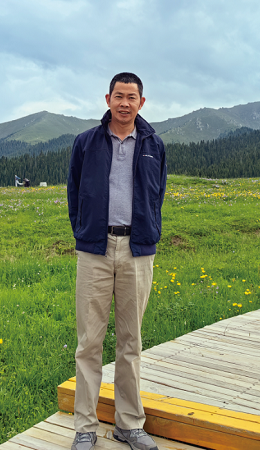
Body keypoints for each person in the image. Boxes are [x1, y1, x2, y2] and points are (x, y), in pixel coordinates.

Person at [67, 73, 167, 450]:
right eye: (119, 96)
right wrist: (84, 231)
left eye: (132, 97)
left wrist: (149, 230)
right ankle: (85, 427)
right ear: (108, 99)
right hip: (94, 248)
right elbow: (74, 192)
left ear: (142, 102)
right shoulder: (86, 143)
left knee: (130, 341)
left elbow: (157, 194)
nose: (125, 103)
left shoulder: (154, 145)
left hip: (137, 250)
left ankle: (129, 424)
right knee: (89, 342)